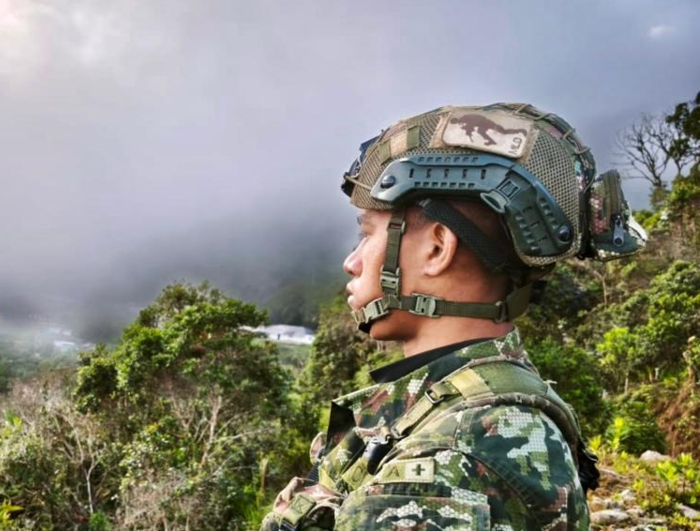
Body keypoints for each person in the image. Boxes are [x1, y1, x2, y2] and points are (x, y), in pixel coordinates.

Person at [261, 103, 646, 531]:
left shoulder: (449, 462)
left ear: (437, 249)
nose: (352, 262)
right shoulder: (463, 407)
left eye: (367, 233)